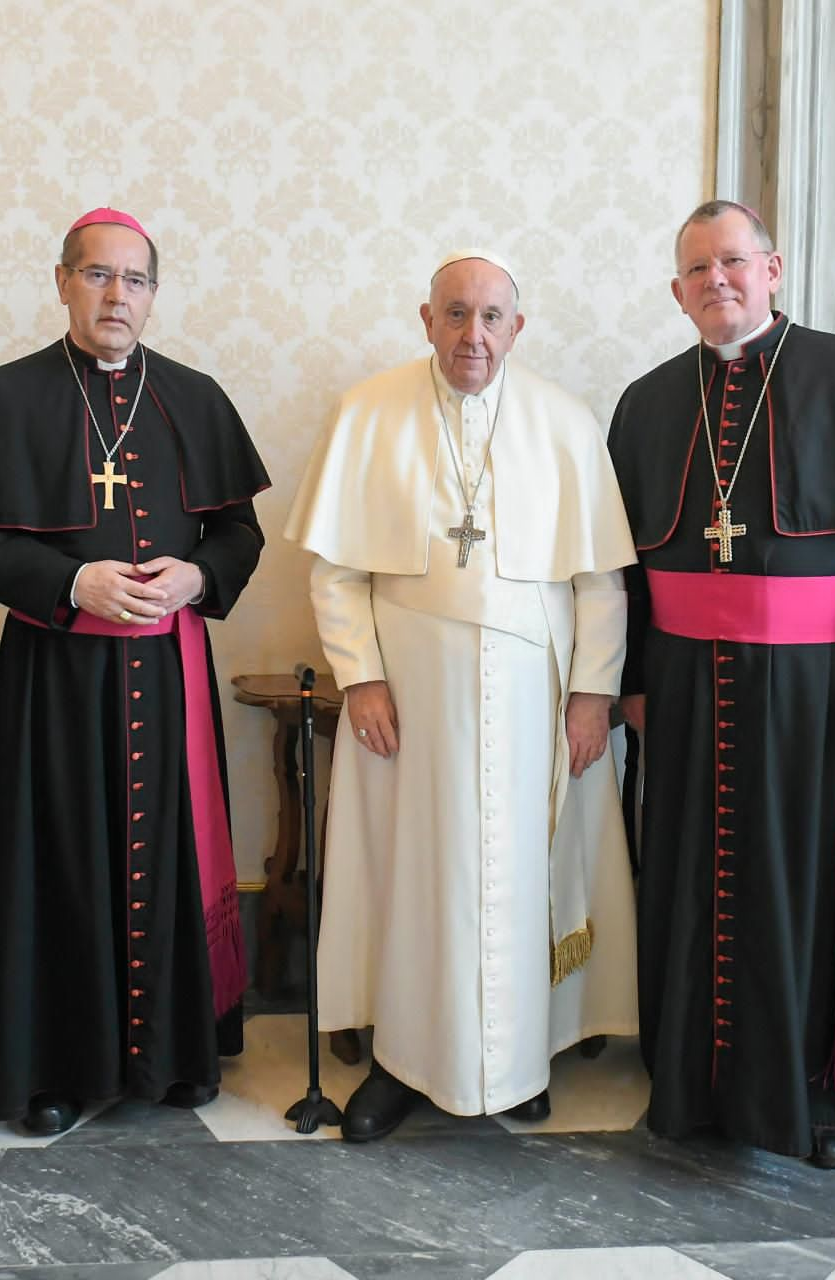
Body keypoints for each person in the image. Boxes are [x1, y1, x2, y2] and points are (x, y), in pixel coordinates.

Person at [608, 200, 835, 1169]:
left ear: (773, 269)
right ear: (676, 290)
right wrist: (633, 682)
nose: (716, 280)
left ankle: (813, 1097)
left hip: (816, 688)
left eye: (733, 261)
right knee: (687, 875)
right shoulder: (647, 401)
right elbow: (626, 571)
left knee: (803, 882)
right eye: (696, 269)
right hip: (686, 687)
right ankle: (688, 1084)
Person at [285, 250, 639, 1141]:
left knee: (528, 868)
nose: (472, 334)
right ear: (426, 319)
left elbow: (600, 579)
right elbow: (334, 571)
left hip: (537, 692)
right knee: (411, 869)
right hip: (407, 693)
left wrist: (592, 695)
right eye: (455, 314)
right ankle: (405, 1063)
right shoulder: (369, 411)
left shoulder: (563, 419)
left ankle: (518, 1059)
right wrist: (359, 675)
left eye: (490, 317)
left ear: (517, 327)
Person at [0, 207, 268, 1137]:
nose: (116, 295)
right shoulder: (4, 397)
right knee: (57, 859)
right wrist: (69, 578)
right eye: (98, 276)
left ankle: (176, 1055)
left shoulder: (195, 398)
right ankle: (49, 1068)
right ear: (62, 282)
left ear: (155, 295)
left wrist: (199, 574)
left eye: (135, 280)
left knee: (171, 854)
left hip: (167, 675)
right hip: (54, 673)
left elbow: (241, 531)